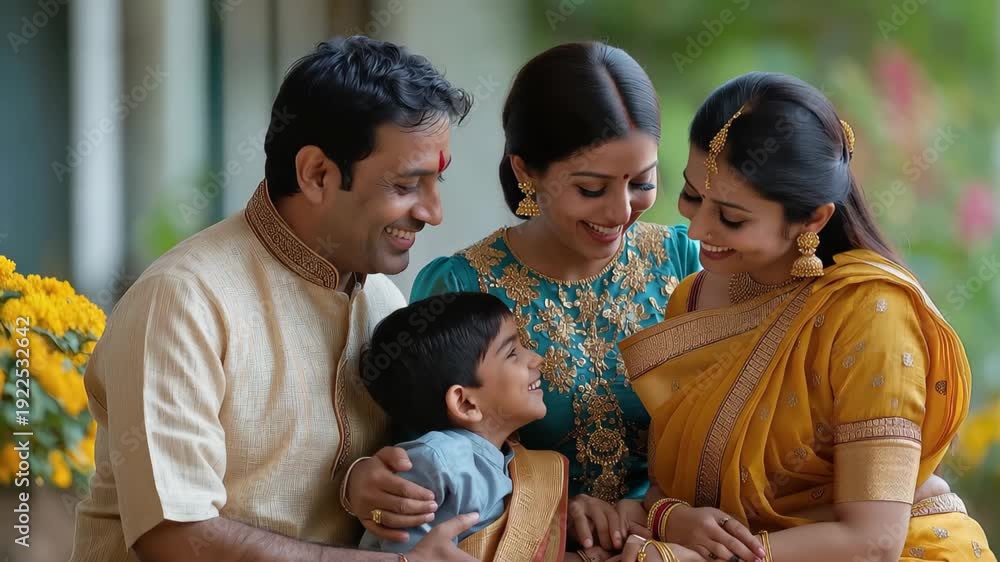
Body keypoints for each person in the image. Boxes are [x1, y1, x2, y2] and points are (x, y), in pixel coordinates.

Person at [69, 36, 480, 562]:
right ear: (317, 175)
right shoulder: (183, 302)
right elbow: (174, 538)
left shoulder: (380, 300)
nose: (433, 213)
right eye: (405, 185)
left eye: (437, 182)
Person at [613, 72, 995, 562]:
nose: (698, 229)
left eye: (731, 217)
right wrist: (672, 519)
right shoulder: (693, 298)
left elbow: (873, 542)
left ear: (813, 218)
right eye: (691, 196)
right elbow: (674, 488)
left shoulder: (871, 313)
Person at [345, 41, 701, 559]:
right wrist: (556, 508)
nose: (622, 212)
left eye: (642, 182)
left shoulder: (685, 264)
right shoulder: (460, 287)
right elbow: (431, 467)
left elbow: (730, 423)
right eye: (592, 188)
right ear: (526, 172)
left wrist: (655, 508)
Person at [357, 292, 569, 560]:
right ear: (466, 403)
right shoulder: (437, 463)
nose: (536, 358)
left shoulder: (502, 458)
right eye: (513, 353)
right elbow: (408, 556)